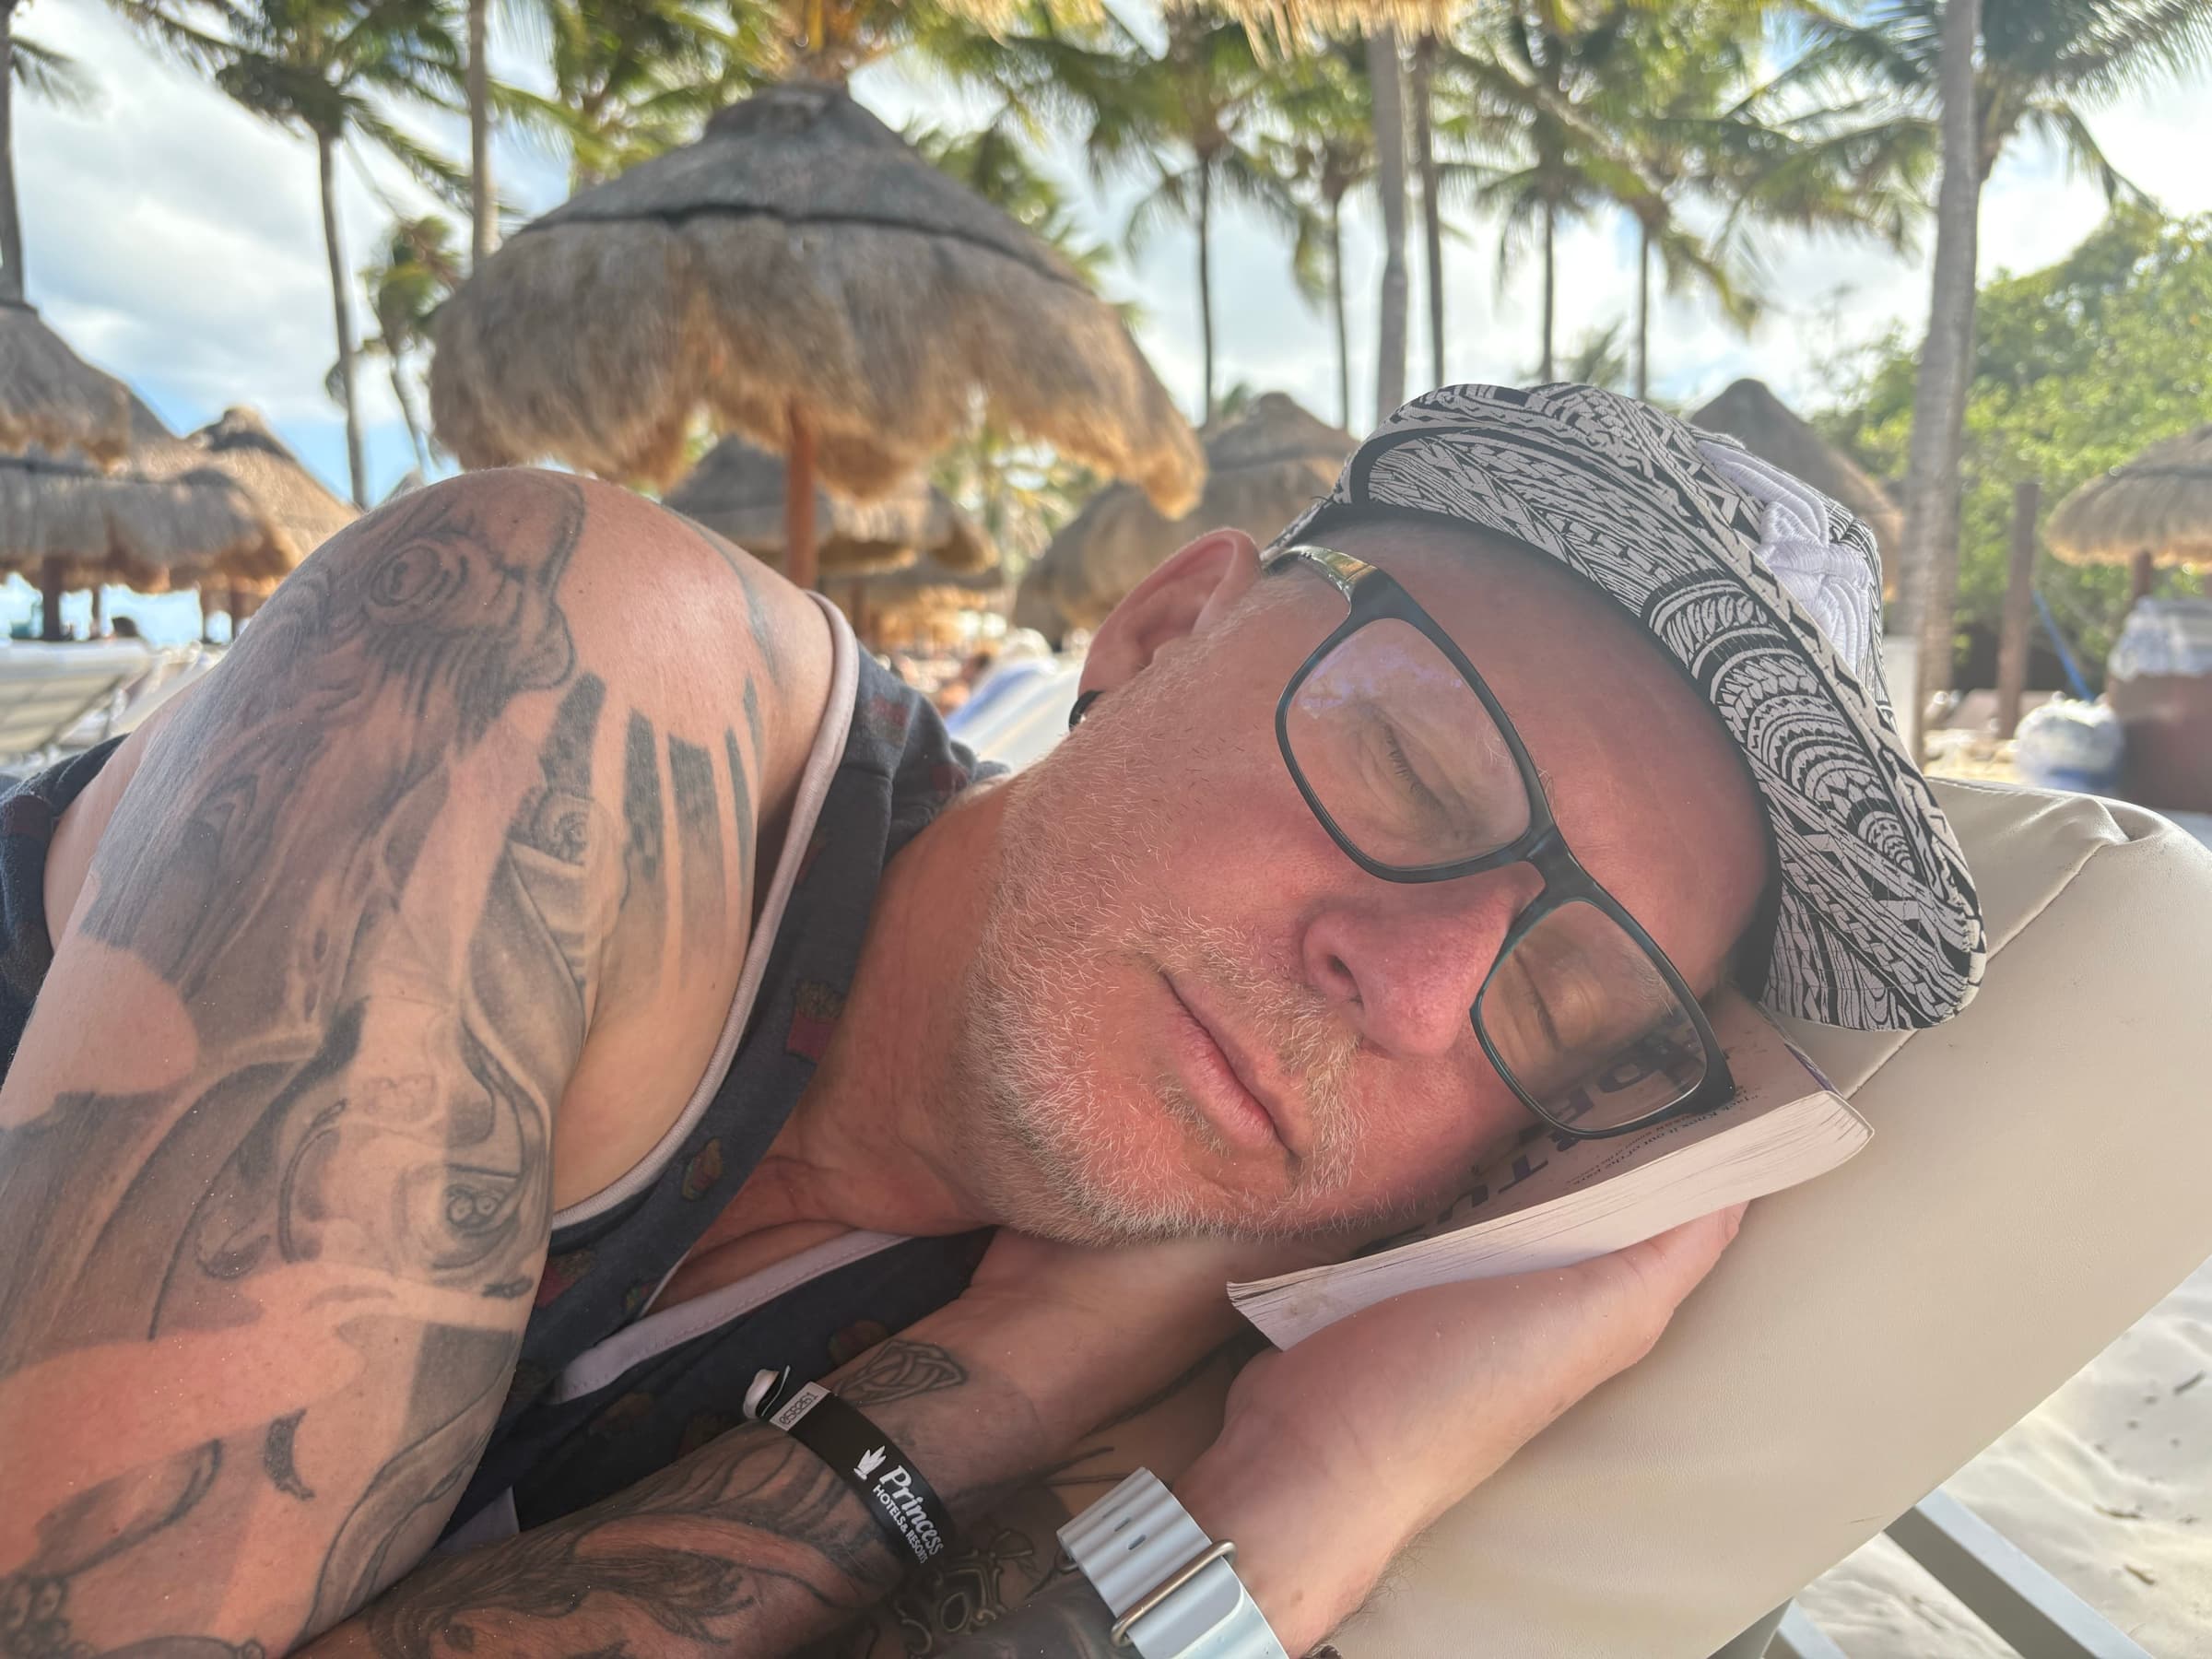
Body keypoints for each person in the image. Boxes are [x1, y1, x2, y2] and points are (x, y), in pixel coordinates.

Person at [0, 384, 1983, 1659]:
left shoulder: (1185, 1326)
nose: (1416, 986)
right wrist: (1036, 1375)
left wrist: (1301, 1490)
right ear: (1163, 630)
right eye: (1411, 766)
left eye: (1565, 1000)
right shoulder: (566, 683)